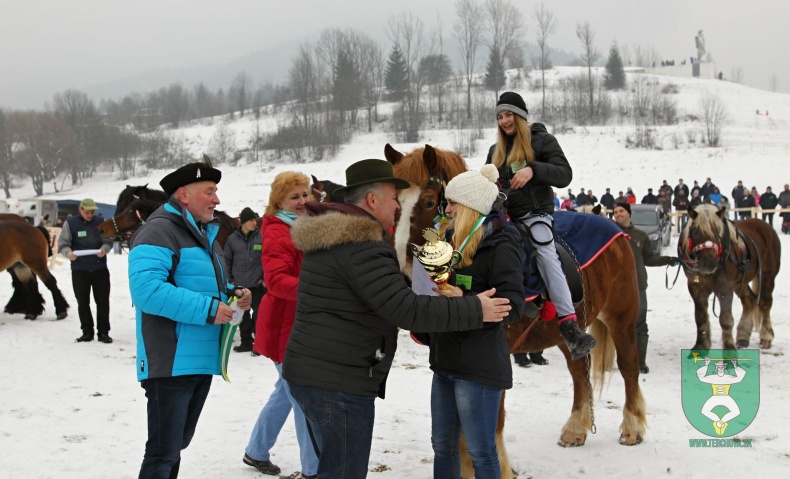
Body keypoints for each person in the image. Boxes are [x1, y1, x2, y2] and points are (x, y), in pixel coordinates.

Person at [282, 159, 512, 478]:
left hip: (318, 374)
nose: (397, 206)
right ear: (372, 199)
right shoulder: (360, 245)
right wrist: (476, 308)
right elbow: (405, 308)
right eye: (393, 198)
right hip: (338, 383)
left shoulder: (334, 237)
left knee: (334, 466)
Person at [128, 161, 253, 478]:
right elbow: (147, 291)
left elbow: (205, 284)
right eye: (209, 192)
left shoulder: (203, 234)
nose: (216, 200)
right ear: (183, 195)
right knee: (163, 453)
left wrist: (234, 294)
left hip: (198, 359)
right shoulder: (158, 231)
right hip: (171, 360)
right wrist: (210, 310)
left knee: (174, 447)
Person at [429, 165, 525, 478]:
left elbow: (513, 306)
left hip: (479, 367)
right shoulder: (448, 240)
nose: (447, 209)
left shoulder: (501, 243)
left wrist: (463, 300)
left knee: (481, 451)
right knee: (442, 445)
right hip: (444, 360)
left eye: (453, 203)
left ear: (471, 206)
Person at [485, 91, 595, 360]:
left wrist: (534, 170)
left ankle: (569, 326)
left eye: (509, 115)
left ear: (520, 116)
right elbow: (488, 185)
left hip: (534, 215)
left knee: (545, 253)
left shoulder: (543, 141)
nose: (504, 121)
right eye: (500, 117)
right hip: (503, 217)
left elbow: (564, 174)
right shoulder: (494, 151)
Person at [244, 172, 318, 478]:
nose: (302, 201)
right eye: (294, 197)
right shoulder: (277, 231)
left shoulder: (307, 224)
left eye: (305, 194)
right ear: (279, 201)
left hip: (299, 323)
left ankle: (255, 450)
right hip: (284, 328)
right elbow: (275, 281)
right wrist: (317, 289)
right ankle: (313, 470)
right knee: (303, 399)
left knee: (285, 393)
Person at [613, 202, 679, 374]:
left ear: (629, 213)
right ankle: (621, 360)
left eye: (621, 211)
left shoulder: (640, 236)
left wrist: (667, 260)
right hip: (615, 288)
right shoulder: (611, 235)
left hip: (638, 286)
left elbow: (649, 258)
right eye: (615, 212)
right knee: (617, 325)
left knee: (640, 324)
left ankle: (640, 362)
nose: (618, 214)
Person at [57, 198, 113, 343]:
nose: (89, 215)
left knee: (103, 302)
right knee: (83, 302)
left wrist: (105, 248)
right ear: (80, 210)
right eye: (87, 212)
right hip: (79, 269)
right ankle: (87, 332)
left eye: (92, 212)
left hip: (99, 269)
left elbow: (108, 239)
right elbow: (62, 243)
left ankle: (103, 332)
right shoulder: (71, 223)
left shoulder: (100, 221)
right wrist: (68, 253)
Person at [224, 207, 266, 353]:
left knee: (259, 315)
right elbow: (226, 261)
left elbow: (268, 258)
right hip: (240, 287)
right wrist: (231, 281)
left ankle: (259, 345)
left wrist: (264, 278)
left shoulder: (262, 237)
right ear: (243, 222)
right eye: (251, 220)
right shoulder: (232, 239)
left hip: (257, 285)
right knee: (243, 317)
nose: (255, 223)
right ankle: (246, 342)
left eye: (255, 219)